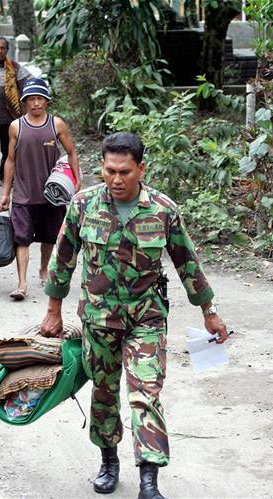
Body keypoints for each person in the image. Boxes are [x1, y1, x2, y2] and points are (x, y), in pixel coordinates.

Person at [39, 132, 230, 499]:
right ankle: (108, 461)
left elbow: (187, 263)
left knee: (145, 394)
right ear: (103, 168)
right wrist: (53, 311)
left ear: (140, 169)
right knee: (105, 393)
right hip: (99, 319)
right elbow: (63, 259)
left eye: (125, 171)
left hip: (147, 319)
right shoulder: (83, 205)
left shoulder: (162, 209)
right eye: (110, 171)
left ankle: (149, 479)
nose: (116, 179)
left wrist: (210, 312)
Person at [0, 78, 80, 301]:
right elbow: (10, 160)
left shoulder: (57, 124)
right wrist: (6, 193)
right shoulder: (17, 126)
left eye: (40, 99)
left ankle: (44, 270)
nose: (36, 103)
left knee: (49, 236)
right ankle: (22, 284)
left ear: (46, 101)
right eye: (31, 99)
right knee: (21, 238)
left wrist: (76, 179)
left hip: (52, 193)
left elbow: (71, 152)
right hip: (24, 192)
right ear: (25, 102)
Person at [0, 35, 31, 184]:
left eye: (2, 48)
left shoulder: (15, 67)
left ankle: (4, 176)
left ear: (7, 50)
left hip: (8, 117)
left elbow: (28, 85)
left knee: (8, 148)